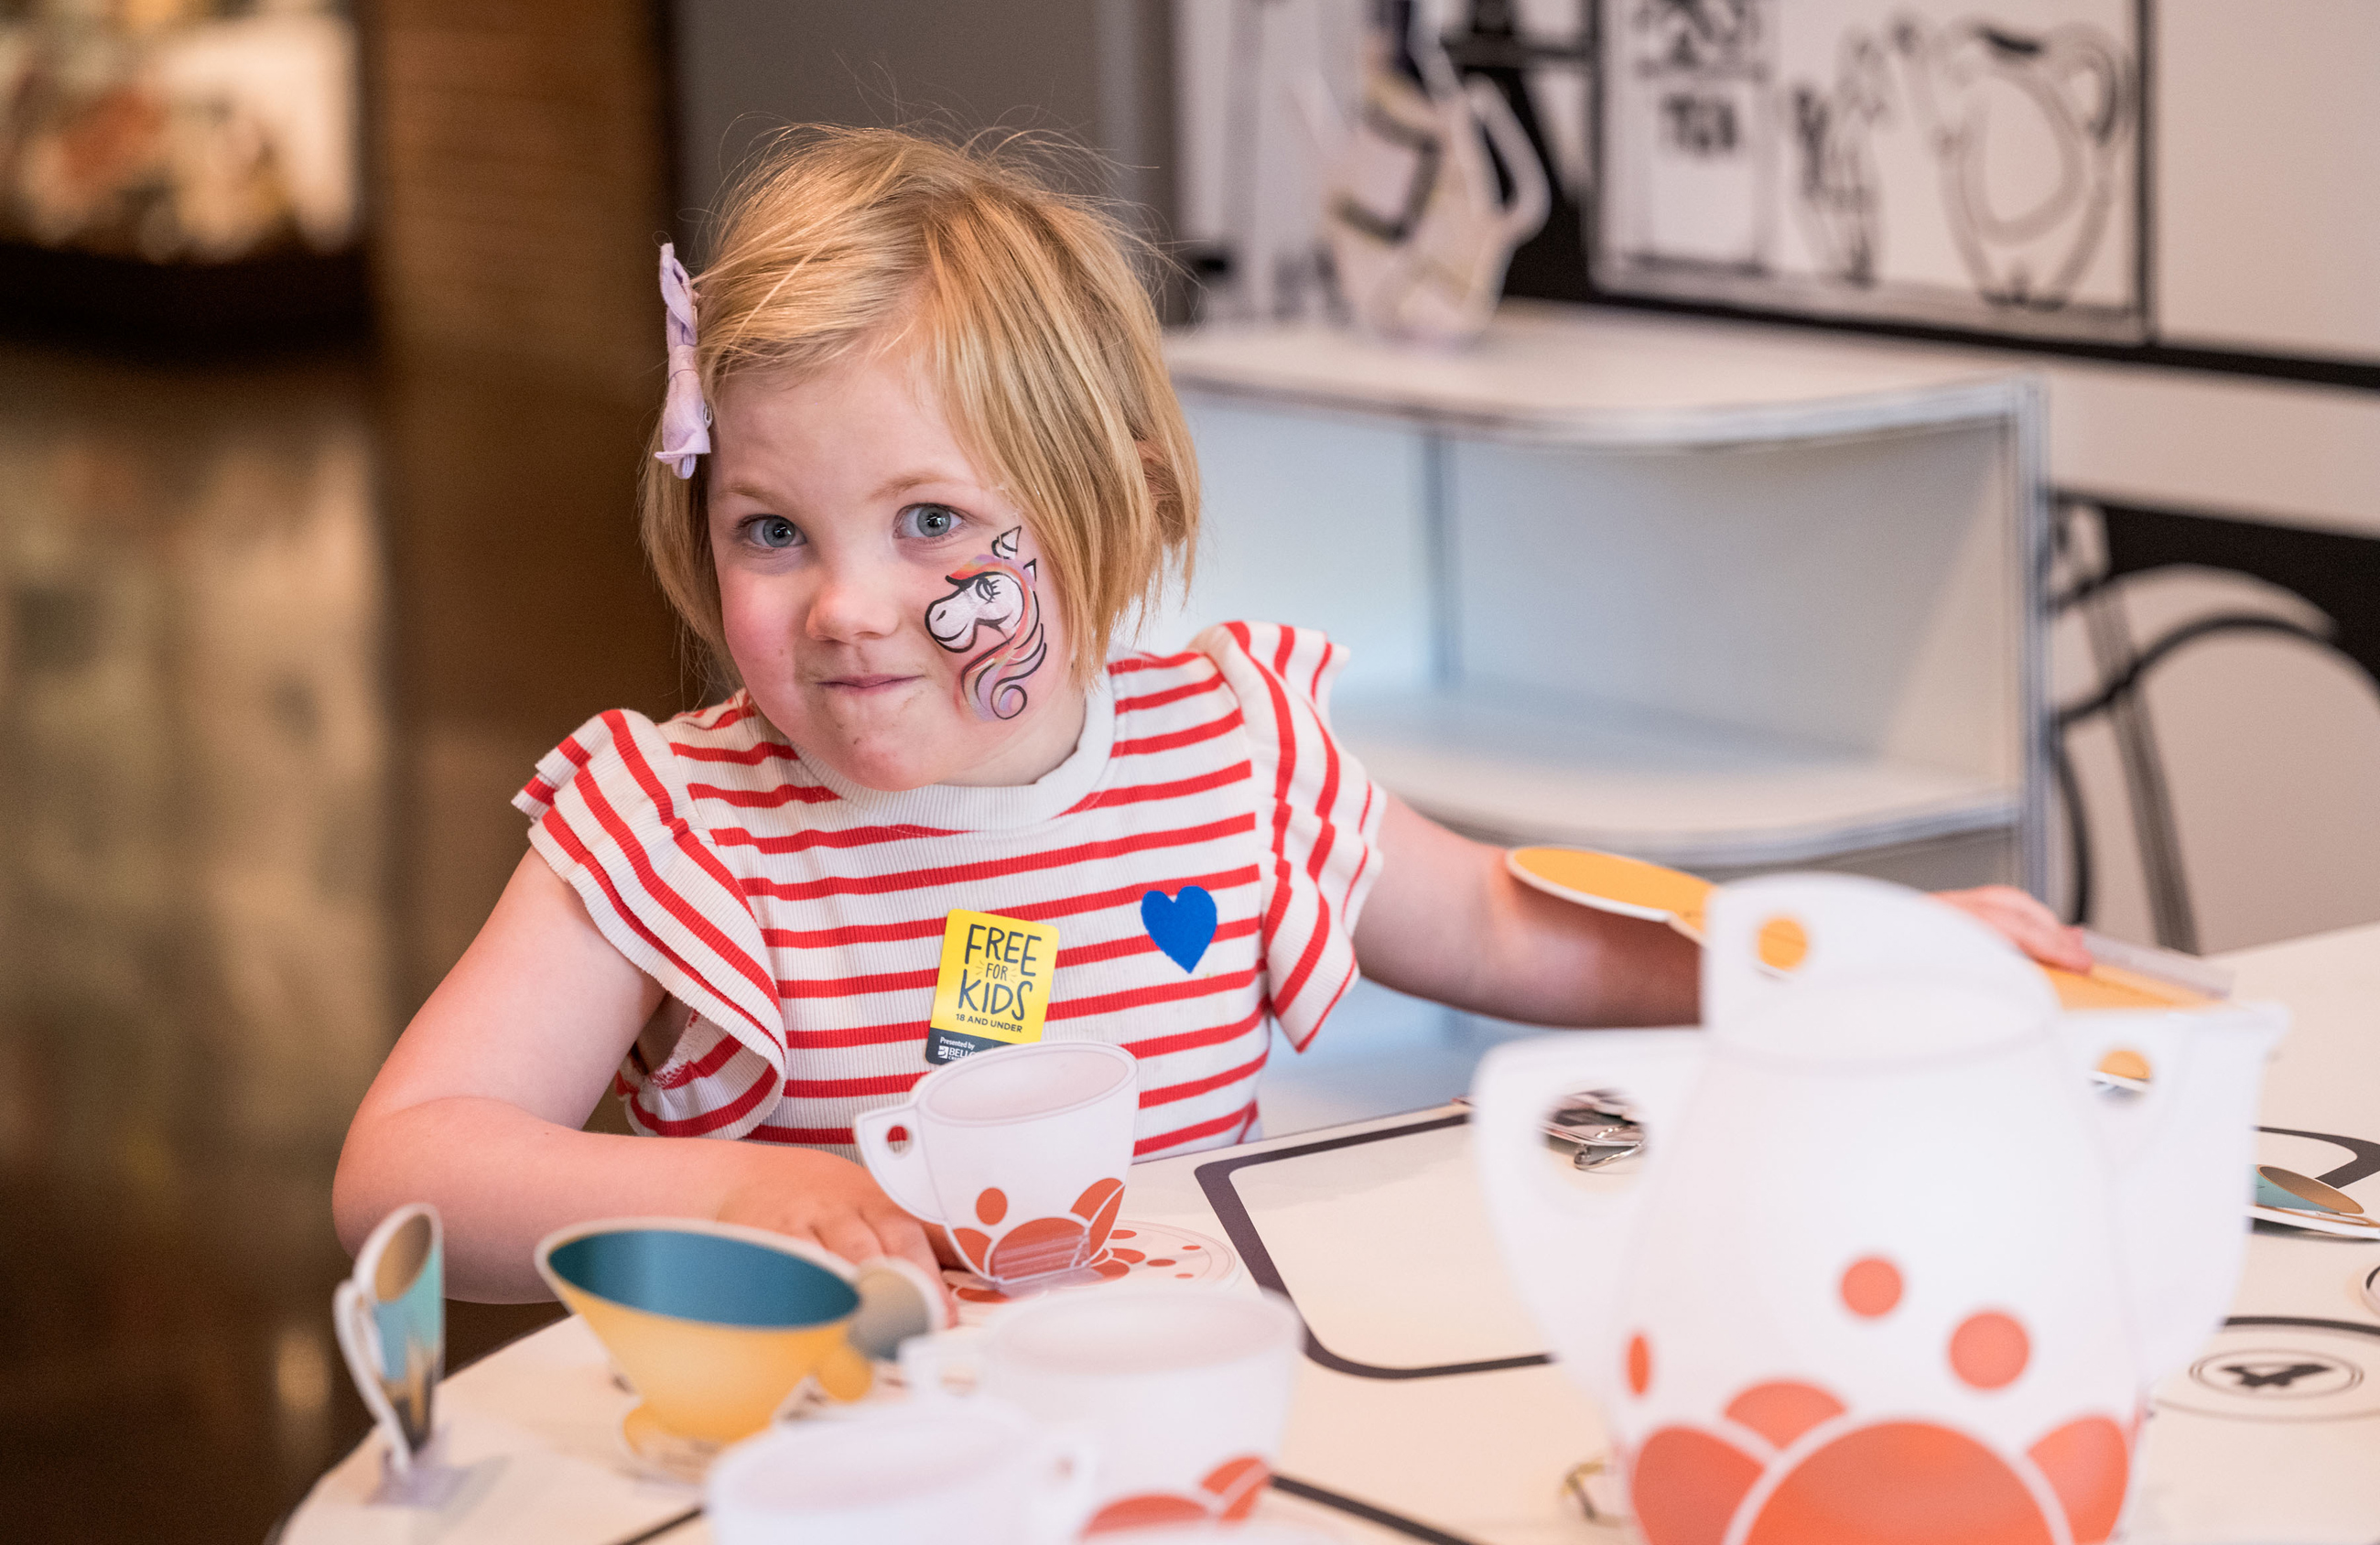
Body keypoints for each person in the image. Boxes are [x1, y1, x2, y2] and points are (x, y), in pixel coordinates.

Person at [333, 127, 2085, 1302]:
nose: (850, 607)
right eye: (771, 532)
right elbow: (401, 1172)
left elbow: (1501, 924)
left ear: (1106, 507)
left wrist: (1830, 958)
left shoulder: (1227, 754)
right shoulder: (673, 835)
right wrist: (744, 1201)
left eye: (934, 521)